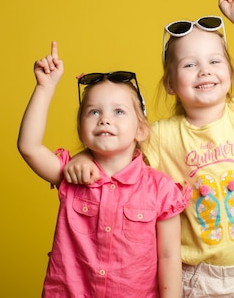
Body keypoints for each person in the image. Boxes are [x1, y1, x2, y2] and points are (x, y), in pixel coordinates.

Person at [64, 0, 234, 297]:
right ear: (171, 84)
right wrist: (84, 159)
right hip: (198, 278)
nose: (204, 71)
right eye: (189, 65)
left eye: (214, 61)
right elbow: (114, 156)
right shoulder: (160, 136)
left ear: (229, 72)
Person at [17, 41, 190, 298]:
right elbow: (29, 147)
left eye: (119, 111)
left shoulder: (160, 189)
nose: (104, 119)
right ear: (81, 131)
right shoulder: (70, 174)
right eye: (94, 111)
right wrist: (45, 87)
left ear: (140, 130)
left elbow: (169, 256)